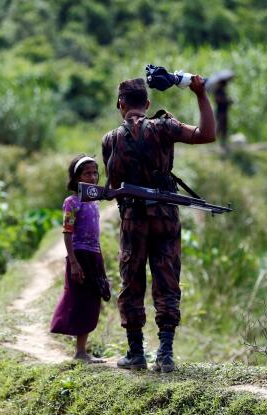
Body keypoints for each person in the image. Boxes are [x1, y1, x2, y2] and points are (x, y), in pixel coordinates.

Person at [102, 76, 215, 373]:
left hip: (132, 221)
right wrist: (200, 94)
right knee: (167, 281)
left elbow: (113, 184)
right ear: (148, 104)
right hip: (165, 217)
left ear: (121, 104)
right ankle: (165, 353)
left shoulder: (111, 139)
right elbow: (207, 134)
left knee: (132, 281)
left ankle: (136, 352)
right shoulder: (164, 126)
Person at [50, 155, 110, 363]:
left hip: (94, 255)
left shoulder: (94, 201)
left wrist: (100, 261)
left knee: (93, 300)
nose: (93, 177)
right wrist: (74, 262)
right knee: (80, 300)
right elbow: (67, 233)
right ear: (76, 178)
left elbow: (96, 234)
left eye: (95, 173)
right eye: (87, 173)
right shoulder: (71, 202)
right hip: (79, 255)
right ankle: (80, 351)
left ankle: (81, 351)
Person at [213, 80, 232, 152]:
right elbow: (217, 99)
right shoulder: (218, 90)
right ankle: (214, 142)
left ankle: (223, 143)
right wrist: (225, 100)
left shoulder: (223, 91)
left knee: (224, 128)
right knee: (219, 127)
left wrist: (228, 101)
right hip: (220, 112)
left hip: (224, 112)